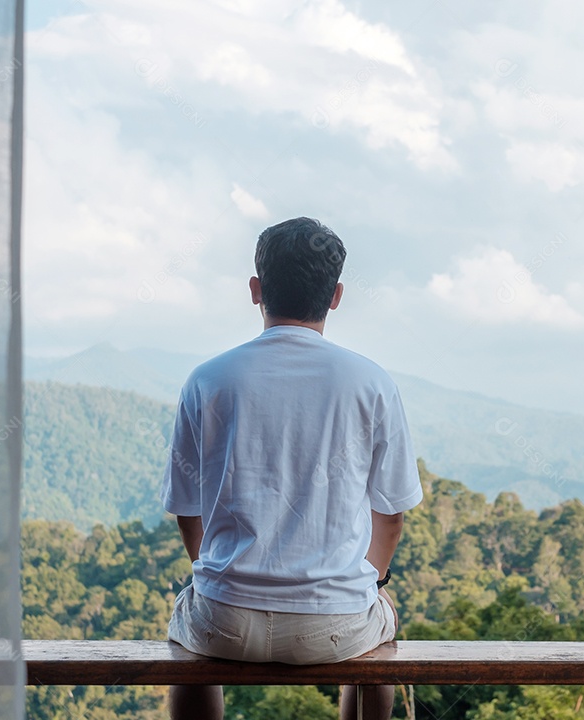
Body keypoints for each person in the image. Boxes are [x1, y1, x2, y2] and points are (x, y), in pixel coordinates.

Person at [160, 217, 423, 720]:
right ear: (337, 295)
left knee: (188, 644)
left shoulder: (208, 379)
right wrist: (373, 584)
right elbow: (389, 517)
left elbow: (188, 512)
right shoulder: (371, 382)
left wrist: (212, 576)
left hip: (225, 621)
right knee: (381, 637)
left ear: (256, 290)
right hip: (334, 624)